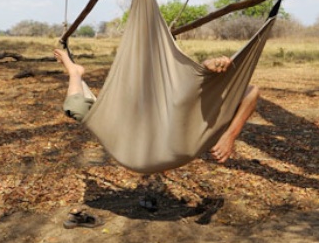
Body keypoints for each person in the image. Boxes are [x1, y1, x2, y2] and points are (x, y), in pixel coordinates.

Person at [54, 48, 259, 164]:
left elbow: (252, 92)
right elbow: (189, 86)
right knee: (77, 108)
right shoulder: (183, 100)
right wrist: (206, 68)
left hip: (157, 140)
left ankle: (75, 73)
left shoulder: (210, 116)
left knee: (77, 108)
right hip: (135, 135)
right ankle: (75, 73)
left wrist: (230, 136)